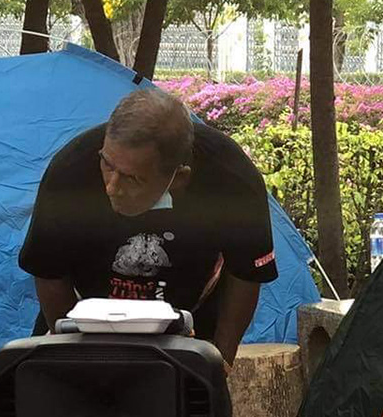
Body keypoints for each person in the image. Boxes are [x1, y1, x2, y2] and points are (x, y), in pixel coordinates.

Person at [19, 88, 279, 366]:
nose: (111, 187)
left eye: (131, 179)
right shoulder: (70, 170)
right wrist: (72, 354)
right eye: (107, 166)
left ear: (178, 178)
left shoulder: (232, 179)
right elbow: (48, 271)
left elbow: (247, 274)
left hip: (191, 318)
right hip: (83, 317)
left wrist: (221, 359)